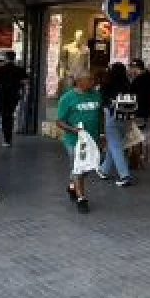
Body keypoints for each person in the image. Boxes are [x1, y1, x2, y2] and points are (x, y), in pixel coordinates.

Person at [55, 70, 105, 213]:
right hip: (75, 141)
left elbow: (100, 115)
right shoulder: (67, 98)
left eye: (93, 79)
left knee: (88, 167)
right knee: (79, 167)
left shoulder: (96, 95)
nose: (93, 82)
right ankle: (81, 199)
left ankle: (72, 186)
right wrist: (73, 130)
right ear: (79, 81)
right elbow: (59, 121)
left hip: (93, 140)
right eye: (90, 80)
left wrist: (102, 134)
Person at [97, 61, 136, 187]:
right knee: (114, 145)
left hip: (112, 117)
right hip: (126, 118)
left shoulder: (107, 84)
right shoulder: (128, 84)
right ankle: (104, 170)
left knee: (115, 146)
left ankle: (124, 176)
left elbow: (102, 101)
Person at [126, 57, 150, 171]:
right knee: (142, 135)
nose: (130, 70)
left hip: (138, 112)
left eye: (131, 68)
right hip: (147, 111)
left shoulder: (137, 80)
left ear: (135, 68)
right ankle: (139, 159)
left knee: (135, 137)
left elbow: (131, 95)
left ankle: (135, 161)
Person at [0, 51, 27, 148]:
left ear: (6, 58)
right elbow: (25, 81)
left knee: (4, 116)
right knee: (9, 115)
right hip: (14, 95)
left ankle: (7, 139)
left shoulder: (0, 69)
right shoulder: (20, 69)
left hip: (2, 95)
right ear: (14, 58)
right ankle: (8, 139)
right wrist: (18, 85)